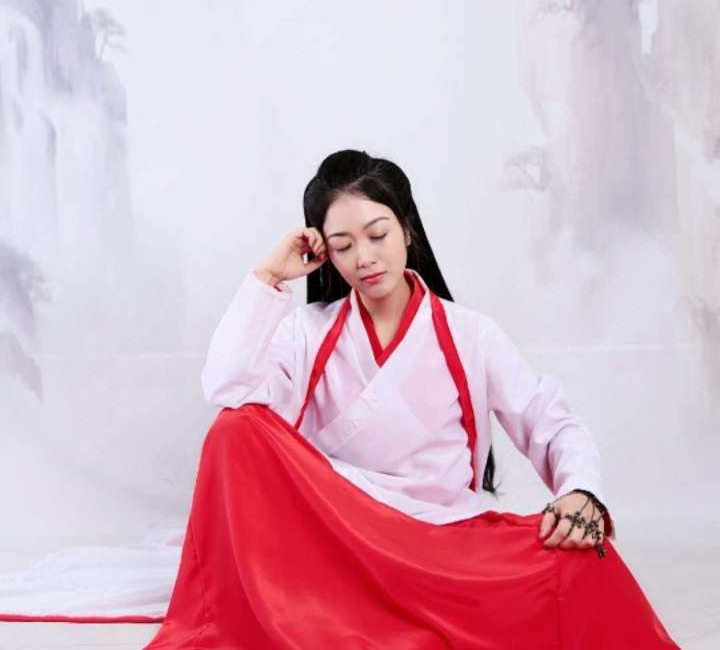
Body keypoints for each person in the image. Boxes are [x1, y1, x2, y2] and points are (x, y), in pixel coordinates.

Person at [143, 149, 680, 649]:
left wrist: (581, 490)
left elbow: (549, 421)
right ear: (323, 251)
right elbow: (228, 388)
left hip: (440, 542)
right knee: (234, 429)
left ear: (406, 228)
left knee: (581, 567)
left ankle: (372, 612)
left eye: (377, 234)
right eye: (343, 246)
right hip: (340, 540)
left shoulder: (471, 334)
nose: (364, 258)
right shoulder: (307, 331)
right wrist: (268, 277)